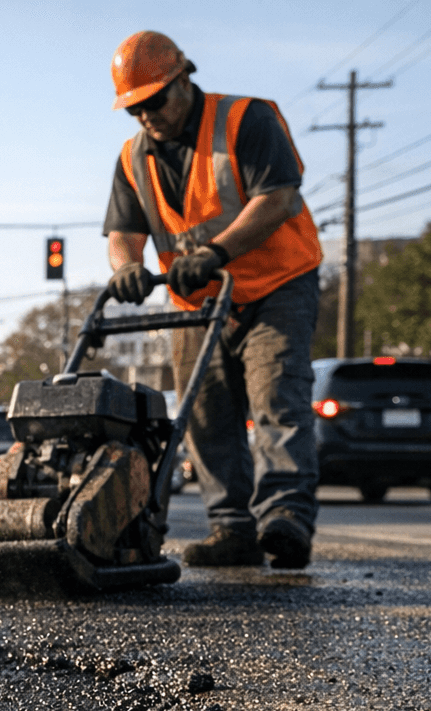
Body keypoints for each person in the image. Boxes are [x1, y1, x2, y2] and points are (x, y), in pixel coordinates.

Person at [102, 31, 323, 569]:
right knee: (203, 413)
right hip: (197, 300)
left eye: (154, 101)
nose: (147, 116)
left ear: (184, 78)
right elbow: (122, 232)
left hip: (275, 285)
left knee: (277, 398)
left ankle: (286, 517)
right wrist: (128, 269)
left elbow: (279, 198)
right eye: (135, 109)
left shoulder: (245, 120)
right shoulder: (133, 158)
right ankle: (232, 527)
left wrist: (217, 251)